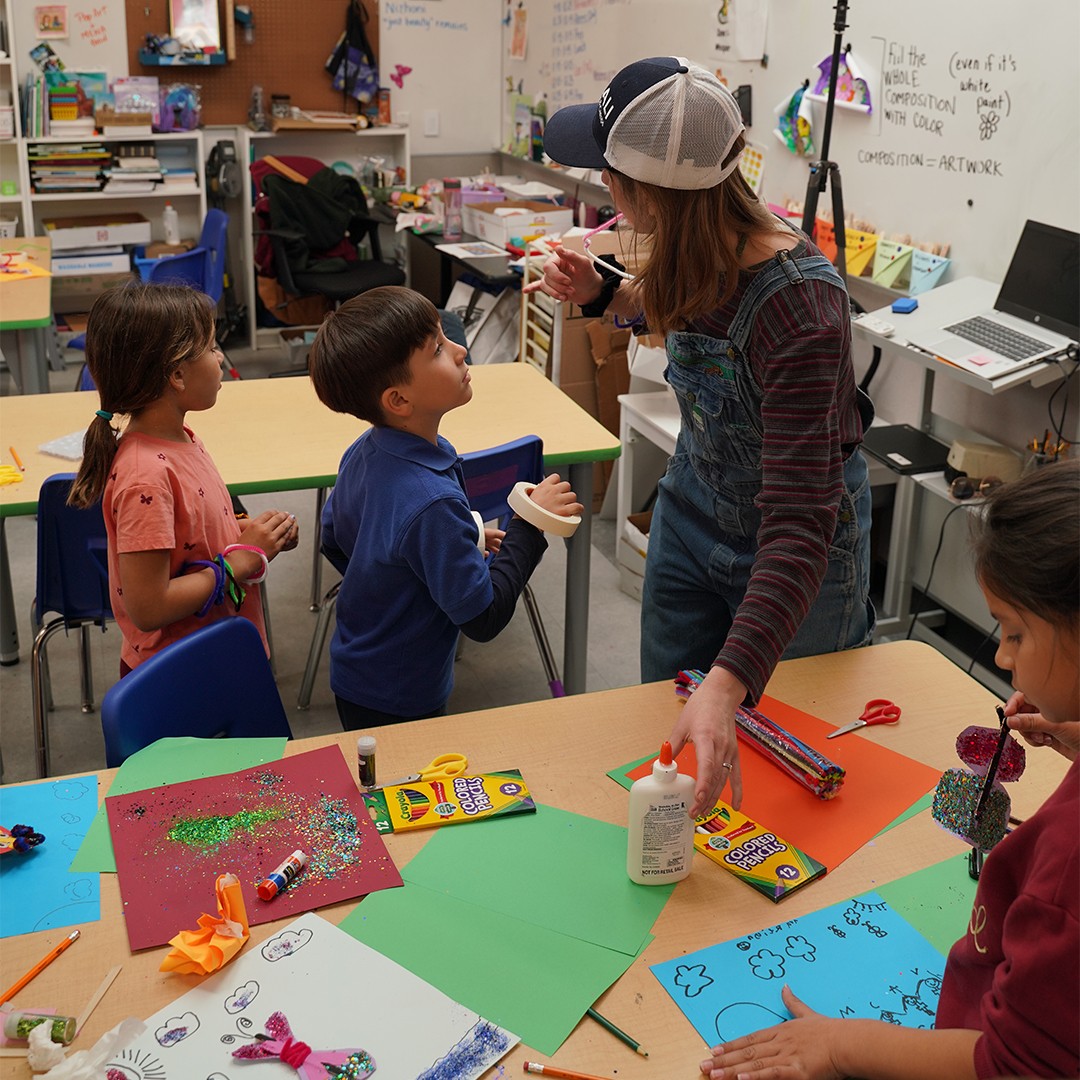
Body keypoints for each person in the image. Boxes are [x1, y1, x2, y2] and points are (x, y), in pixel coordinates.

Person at [529, 56, 876, 816]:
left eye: (605, 173)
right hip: (693, 515)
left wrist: (730, 679)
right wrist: (606, 295)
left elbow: (798, 525)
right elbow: (677, 306)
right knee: (674, 740)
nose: (603, 189)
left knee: (793, 775)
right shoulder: (697, 242)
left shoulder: (801, 307)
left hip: (795, 549)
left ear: (640, 192)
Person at [699, 459, 1079, 1080]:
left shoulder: (1066, 868)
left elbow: (1012, 1067)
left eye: (1015, 633)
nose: (1003, 658)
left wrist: (839, 1045)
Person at [307, 285, 581, 729]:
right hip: (402, 694)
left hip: (360, 671)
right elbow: (483, 617)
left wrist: (460, 540)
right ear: (398, 400)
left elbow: (336, 539)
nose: (460, 349)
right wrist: (528, 524)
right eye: (438, 348)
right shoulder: (429, 501)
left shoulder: (364, 450)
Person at [68, 284, 299, 675]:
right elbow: (149, 607)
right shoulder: (147, 476)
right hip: (184, 674)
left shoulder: (180, 440)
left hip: (217, 649)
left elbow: (185, 539)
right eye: (211, 347)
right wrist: (238, 563)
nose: (222, 359)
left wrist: (247, 535)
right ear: (176, 373)